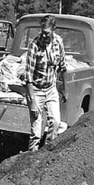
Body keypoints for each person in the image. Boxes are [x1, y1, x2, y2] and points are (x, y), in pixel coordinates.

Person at [24, 14, 66, 152]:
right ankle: (31, 158)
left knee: (55, 122)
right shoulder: (34, 45)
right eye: (42, 32)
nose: (44, 36)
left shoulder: (58, 42)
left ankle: (46, 154)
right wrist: (32, 101)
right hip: (36, 90)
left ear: (54, 29)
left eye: (47, 33)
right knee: (36, 131)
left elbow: (62, 67)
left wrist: (64, 89)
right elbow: (28, 76)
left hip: (51, 88)